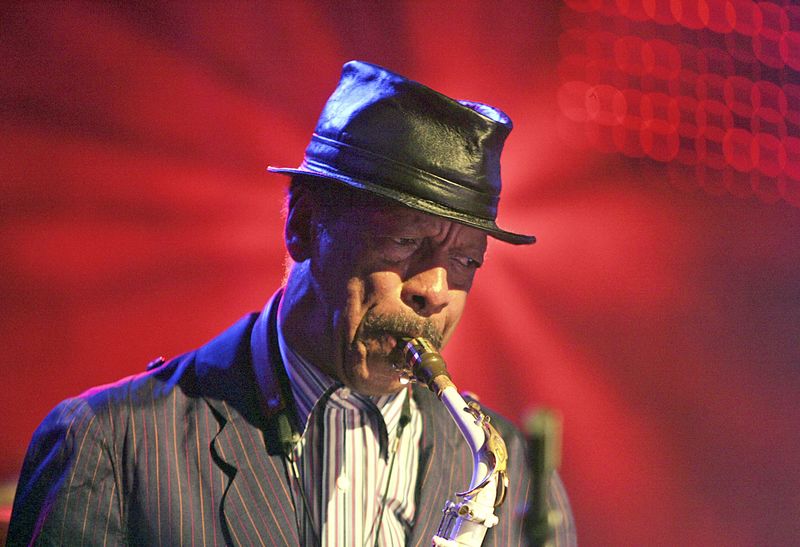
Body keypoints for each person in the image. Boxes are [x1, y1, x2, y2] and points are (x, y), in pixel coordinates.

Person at [8, 60, 576, 546]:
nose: (433, 289)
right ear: (303, 224)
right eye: (405, 242)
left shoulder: (521, 479)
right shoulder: (110, 442)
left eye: (465, 262)